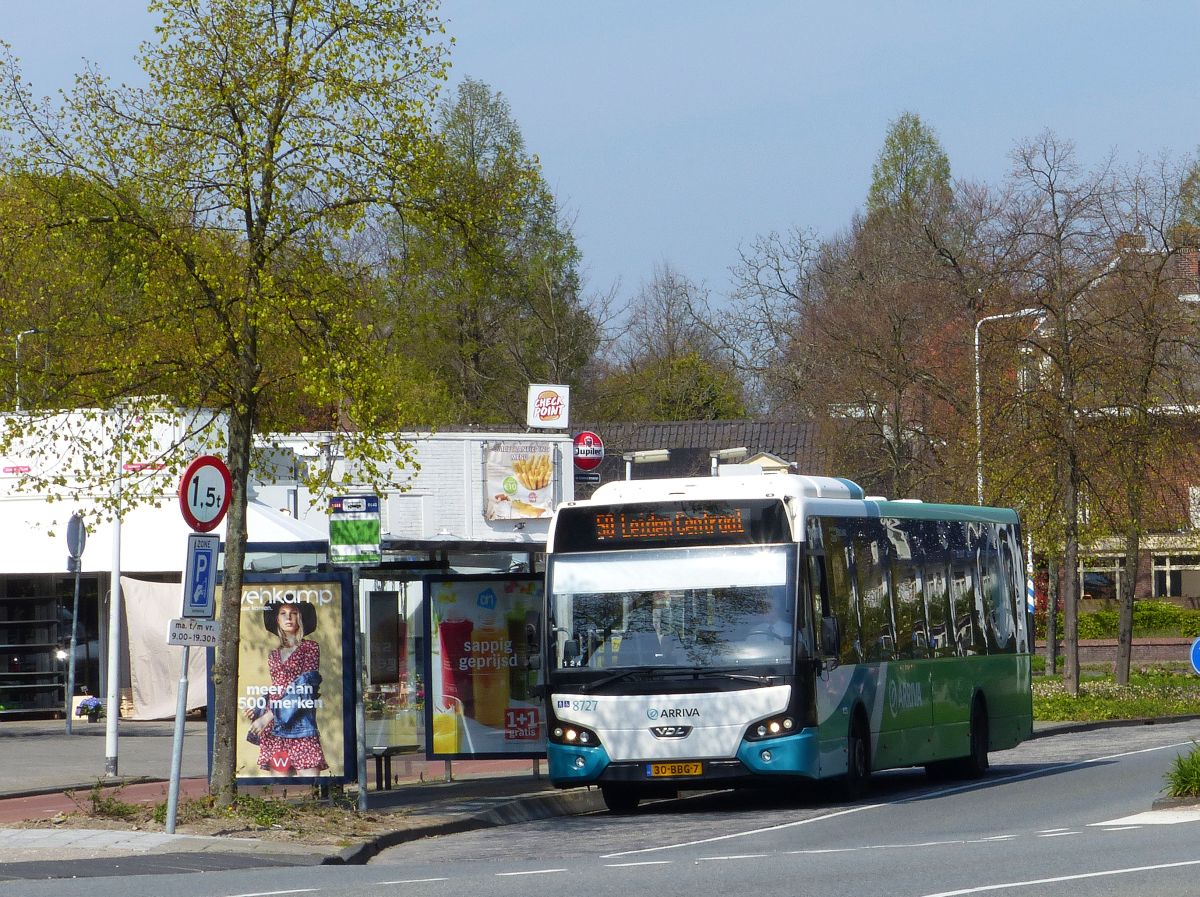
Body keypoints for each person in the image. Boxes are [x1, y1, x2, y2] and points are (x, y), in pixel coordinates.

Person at [245, 596, 328, 776]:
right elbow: (277, 688)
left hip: (300, 724)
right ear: (277, 619)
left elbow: (305, 687)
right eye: (283, 614)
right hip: (275, 728)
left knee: (310, 783)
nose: (288, 618)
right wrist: (259, 707)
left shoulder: (310, 648)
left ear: (300, 618)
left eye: (293, 613)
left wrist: (267, 716)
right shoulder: (274, 654)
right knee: (282, 788)